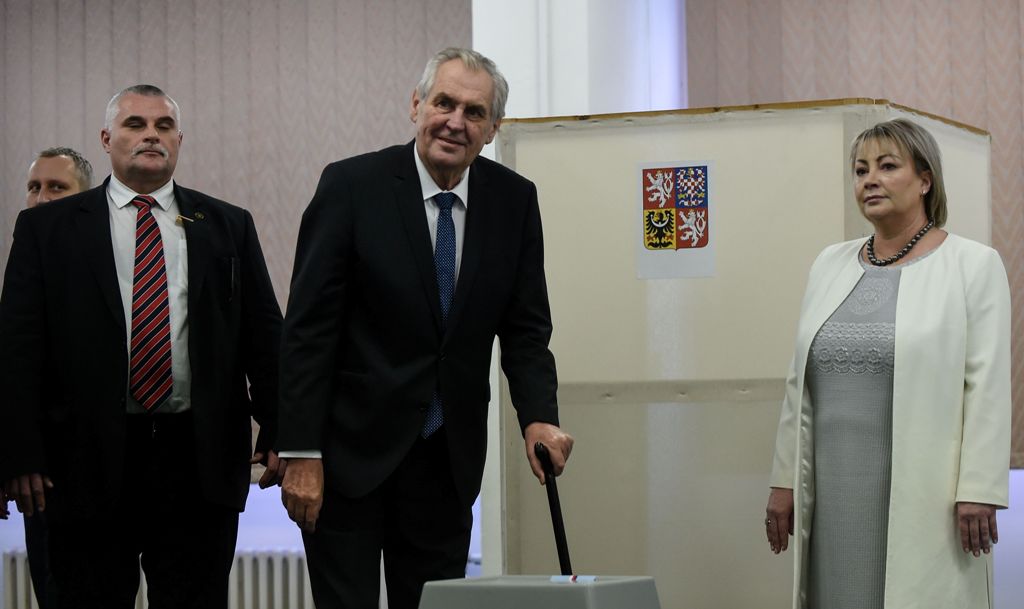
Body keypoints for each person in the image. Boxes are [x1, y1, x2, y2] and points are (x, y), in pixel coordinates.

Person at [277, 47, 575, 609]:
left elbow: (526, 330)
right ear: (416, 105)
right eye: (444, 102)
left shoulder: (514, 201)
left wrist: (539, 417)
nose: (455, 122)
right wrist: (300, 451)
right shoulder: (350, 187)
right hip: (347, 463)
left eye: (474, 111)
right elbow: (308, 330)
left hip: (446, 463)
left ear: (492, 128)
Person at [0, 84, 284, 609]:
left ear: (179, 140)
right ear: (107, 138)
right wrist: (20, 451)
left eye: (163, 126)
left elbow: (263, 336)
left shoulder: (225, 223)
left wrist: (279, 425)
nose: (151, 134)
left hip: (197, 463)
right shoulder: (47, 228)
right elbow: (18, 347)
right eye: (135, 124)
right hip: (81, 464)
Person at [764, 118, 1010, 609]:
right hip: (832, 495)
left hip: (929, 496)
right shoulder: (828, 264)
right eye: (860, 170)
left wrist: (980, 487)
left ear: (925, 179)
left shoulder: (972, 265)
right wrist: (784, 479)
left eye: (887, 166)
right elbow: (800, 383)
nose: (869, 179)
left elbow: (986, 385)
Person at [2, 146, 96, 609]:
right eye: (33, 188)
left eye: (56, 187)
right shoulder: (26, 256)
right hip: (45, 471)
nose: (41, 199)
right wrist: (18, 455)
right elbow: (16, 360)